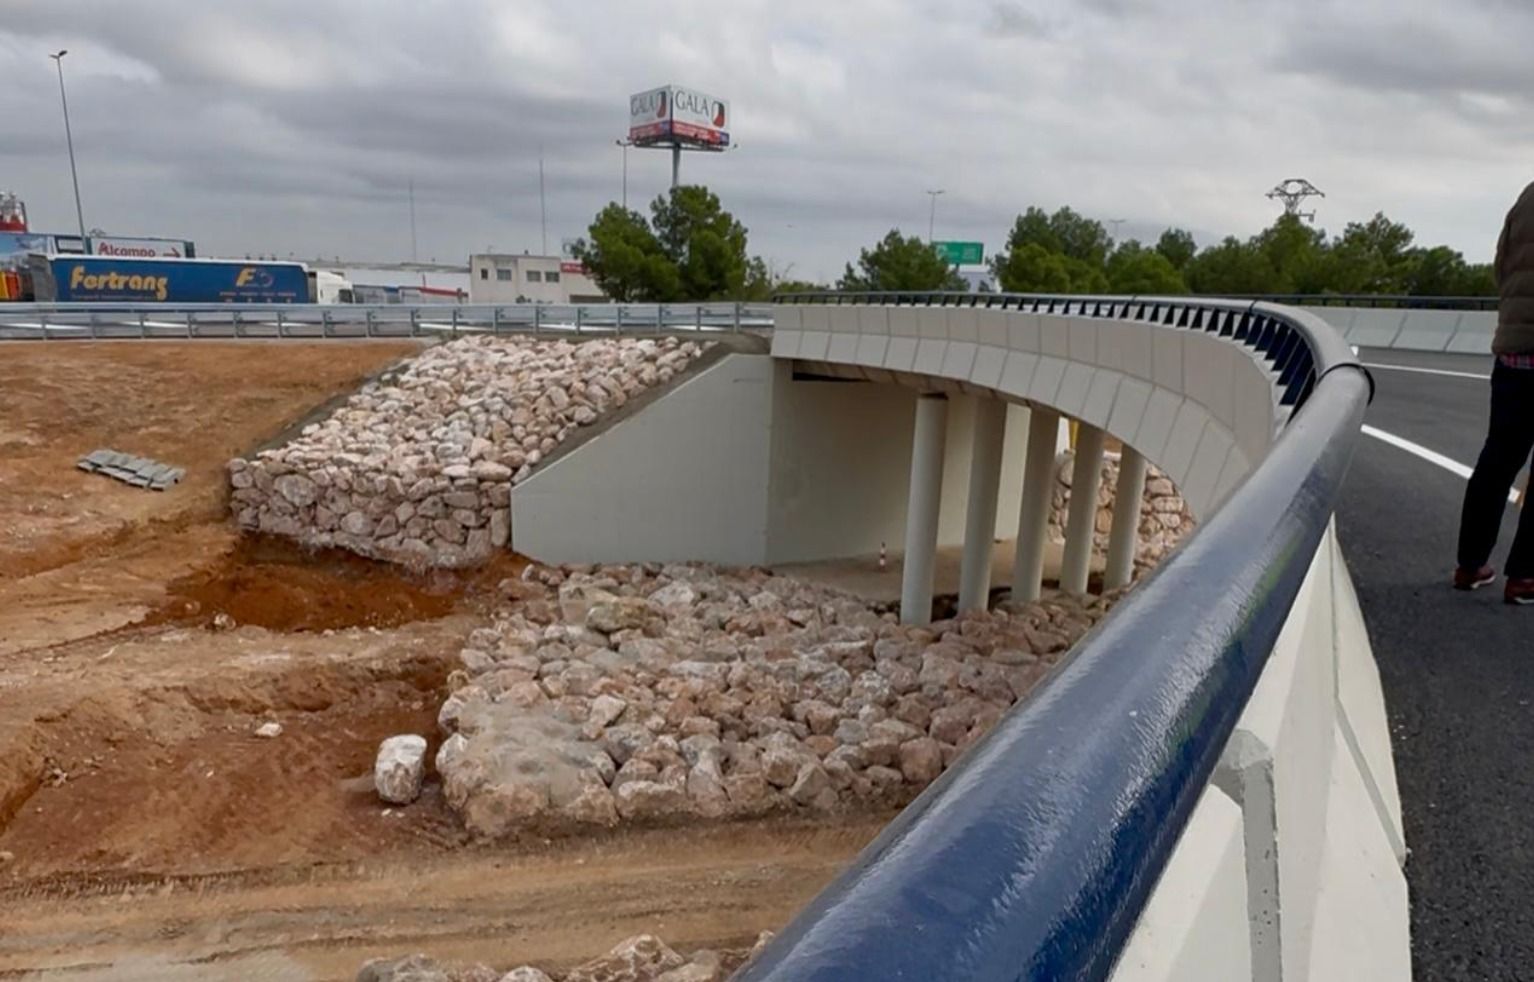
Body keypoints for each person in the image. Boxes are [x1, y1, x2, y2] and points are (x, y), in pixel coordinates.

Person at [1456, 180, 1534, 603]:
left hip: (1515, 356)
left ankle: (1469, 566)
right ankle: (1523, 577)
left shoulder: (1527, 197)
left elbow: (1501, 264)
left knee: (1497, 460)